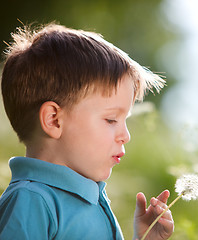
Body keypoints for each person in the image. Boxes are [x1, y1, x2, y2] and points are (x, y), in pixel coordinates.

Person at [0, 23, 174, 240]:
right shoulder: (32, 201)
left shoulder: (91, 198)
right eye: (111, 120)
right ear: (54, 120)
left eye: (124, 120)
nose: (126, 136)